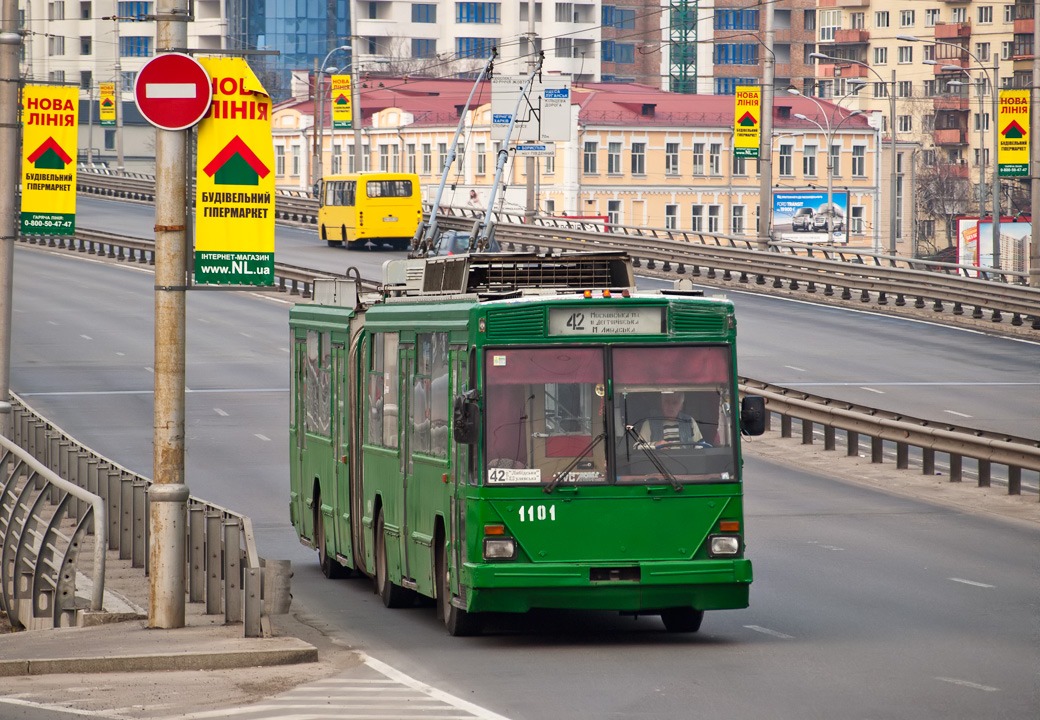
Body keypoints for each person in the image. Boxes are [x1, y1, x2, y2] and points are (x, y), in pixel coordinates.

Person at [633, 391, 702, 449]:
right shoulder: (649, 423)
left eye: (675, 403)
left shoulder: (689, 421)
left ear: (681, 406)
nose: (670, 406)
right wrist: (655, 445)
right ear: (661, 404)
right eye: (667, 402)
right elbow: (637, 447)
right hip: (658, 464)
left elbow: (701, 447)